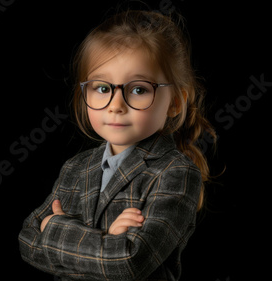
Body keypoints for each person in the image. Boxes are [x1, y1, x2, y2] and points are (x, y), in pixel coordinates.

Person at [18, 10, 216, 281]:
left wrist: (55, 228)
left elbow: (131, 261)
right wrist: (106, 241)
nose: (116, 105)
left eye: (138, 89)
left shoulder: (175, 174)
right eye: (102, 88)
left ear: (174, 103)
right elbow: (27, 241)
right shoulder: (75, 168)